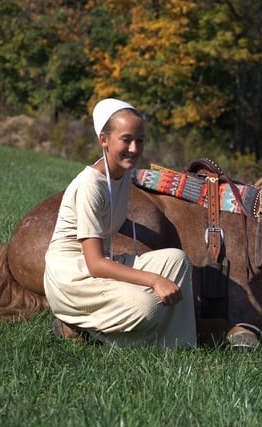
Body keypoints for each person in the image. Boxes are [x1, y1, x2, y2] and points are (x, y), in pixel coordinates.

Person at [43, 98, 197, 347]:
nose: (134, 149)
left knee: (177, 260)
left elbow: (112, 221)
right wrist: (153, 280)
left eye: (140, 140)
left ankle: (176, 343)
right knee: (147, 306)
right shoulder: (89, 187)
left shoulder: (122, 174)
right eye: (126, 139)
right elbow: (95, 264)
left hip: (98, 266)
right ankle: (80, 329)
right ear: (104, 139)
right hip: (73, 278)